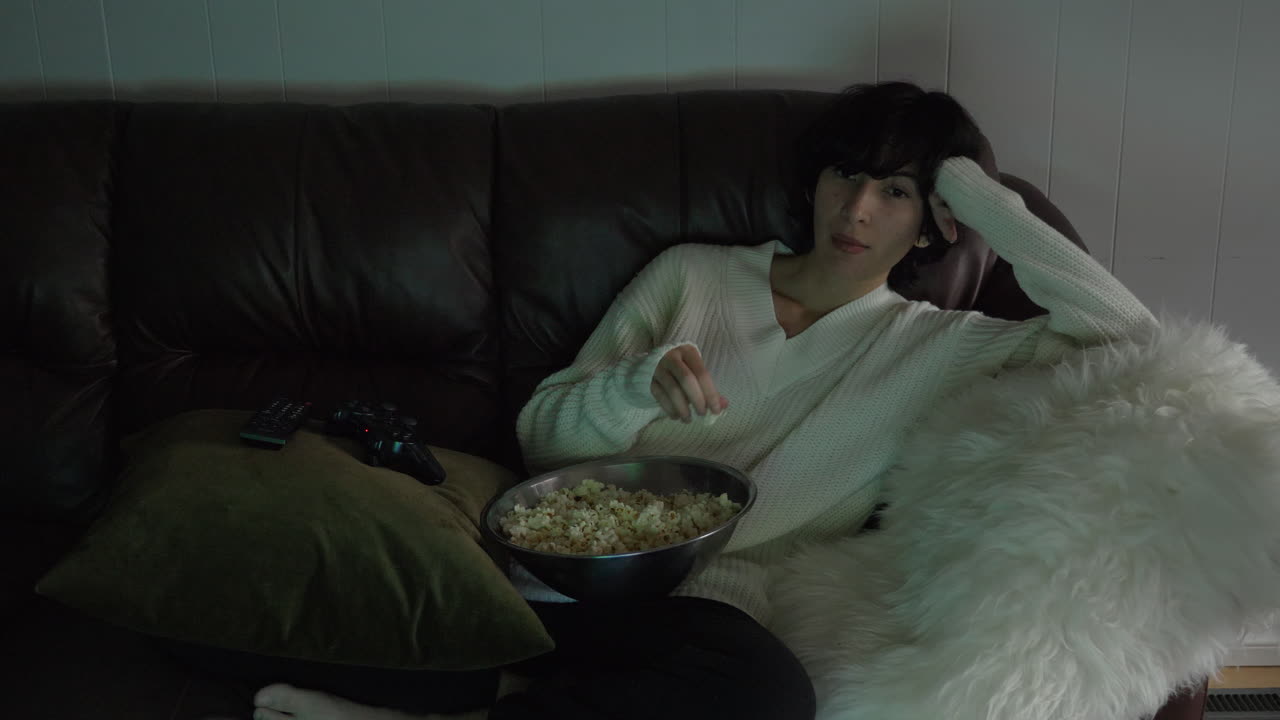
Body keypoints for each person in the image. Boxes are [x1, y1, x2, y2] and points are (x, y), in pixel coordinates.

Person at [250, 81, 1156, 720]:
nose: (860, 211)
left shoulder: (938, 347)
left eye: (898, 191)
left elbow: (1130, 337)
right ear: (814, 180)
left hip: (711, 622)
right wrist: (633, 385)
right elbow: (544, 443)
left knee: (766, 697)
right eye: (848, 174)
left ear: (936, 221)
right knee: (259, 620)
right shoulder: (694, 277)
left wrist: (978, 191)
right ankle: (485, 689)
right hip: (570, 585)